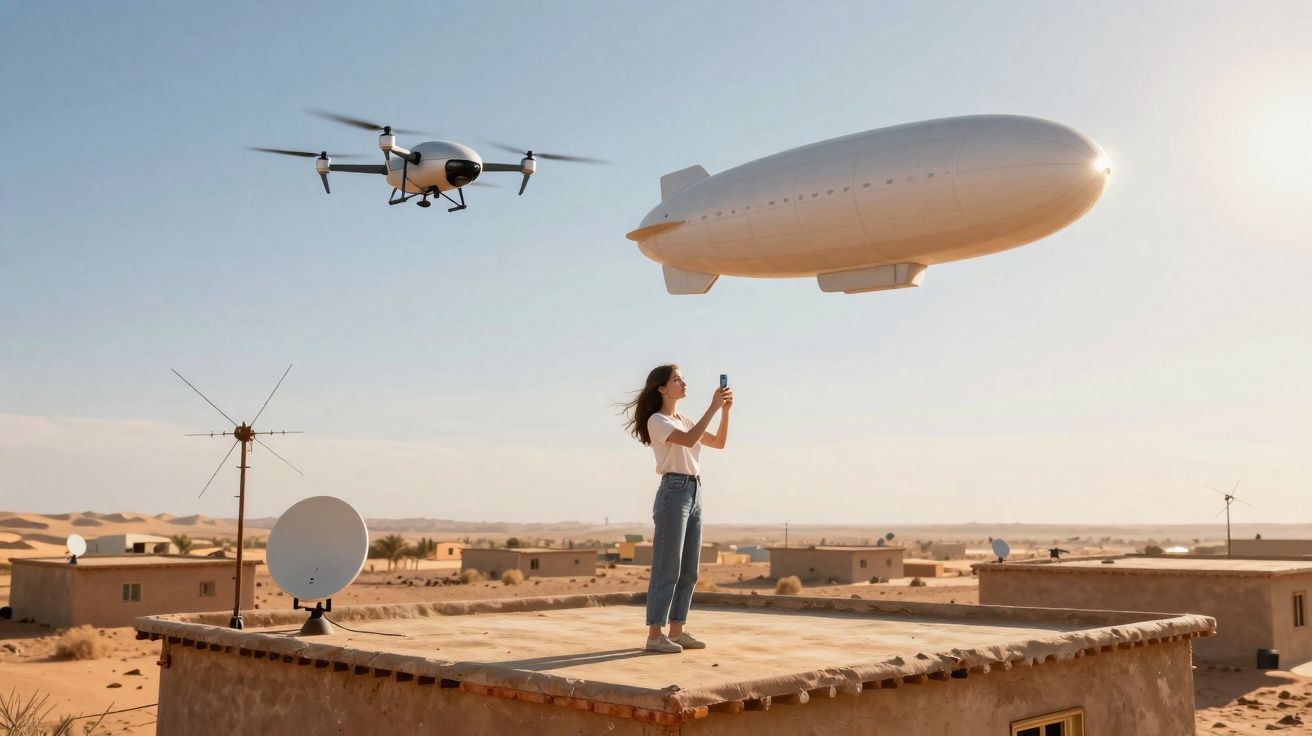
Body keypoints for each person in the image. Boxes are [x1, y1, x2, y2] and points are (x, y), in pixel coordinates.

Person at [622, 364, 732, 653]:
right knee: (666, 566)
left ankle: (678, 630)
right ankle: (655, 634)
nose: (683, 382)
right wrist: (712, 406)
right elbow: (687, 440)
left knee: (689, 568)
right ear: (661, 388)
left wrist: (725, 412)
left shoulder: (685, 418)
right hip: (674, 491)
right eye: (676, 379)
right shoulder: (657, 421)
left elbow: (719, 443)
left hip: (695, 491)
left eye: (682, 378)